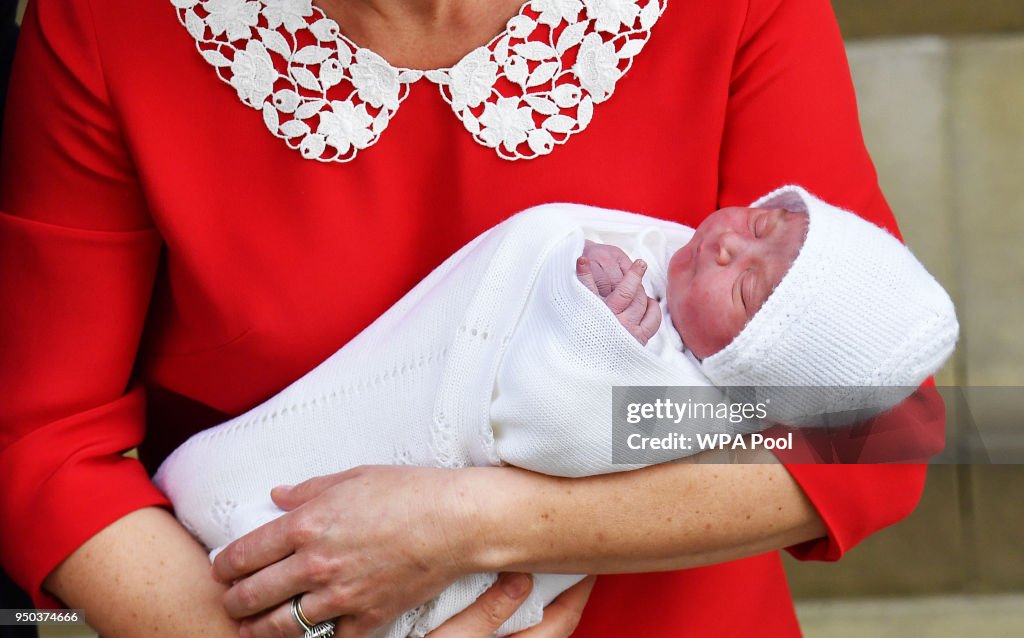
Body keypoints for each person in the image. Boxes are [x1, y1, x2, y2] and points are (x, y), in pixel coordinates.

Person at [0, 0, 947, 637]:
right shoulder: (112, 23)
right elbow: (42, 440)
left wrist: (472, 524)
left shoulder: (733, 9)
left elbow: (874, 427)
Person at [154, 188, 957, 638]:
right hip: (201, 549)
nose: (727, 246)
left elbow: (555, 429)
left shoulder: (696, 405)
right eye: (760, 224)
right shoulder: (669, 259)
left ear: (752, 370)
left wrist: (598, 333)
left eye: (747, 289)